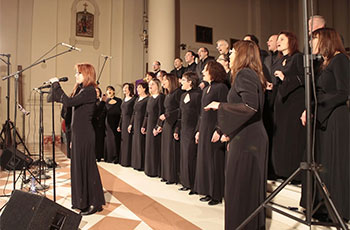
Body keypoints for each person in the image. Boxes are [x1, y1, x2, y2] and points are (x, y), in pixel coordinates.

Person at [205, 40, 268, 230]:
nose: (229, 55)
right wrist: (231, 133)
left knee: (240, 189)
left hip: (249, 139)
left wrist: (220, 105)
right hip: (247, 136)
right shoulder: (249, 74)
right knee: (242, 188)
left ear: (241, 55)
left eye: (232, 52)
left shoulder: (244, 74)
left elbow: (250, 106)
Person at [300, 27, 350, 222]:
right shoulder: (324, 62)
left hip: (336, 118)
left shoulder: (341, 60)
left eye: (315, 39)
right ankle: (321, 207)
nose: (311, 43)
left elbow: (342, 92)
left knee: (334, 165)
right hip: (324, 117)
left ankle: (337, 211)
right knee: (322, 163)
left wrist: (316, 109)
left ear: (327, 40)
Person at [49, 63, 105, 215]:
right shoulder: (82, 90)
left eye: (78, 73)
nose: (75, 76)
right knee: (78, 168)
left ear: (86, 74)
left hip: (86, 134)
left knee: (88, 168)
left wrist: (57, 85)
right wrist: (73, 137)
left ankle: (94, 202)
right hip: (79, 134)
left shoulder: (90, 91)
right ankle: (81, 200)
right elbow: (73, 113)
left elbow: (68, 102)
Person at [271, 31, 305, 181]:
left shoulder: (298, 57)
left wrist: (286, 78)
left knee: (292, 138)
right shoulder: (279, 60)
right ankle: (282, 171)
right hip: (281, 104)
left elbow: (304, 78)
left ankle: (294, 173)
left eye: (282, 39)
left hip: (294, 104)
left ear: (291, 41)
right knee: (281, 139)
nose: (278, 41)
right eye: (278, 39)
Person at [194, 60, 228, 206]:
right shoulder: (206, 89)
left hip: (214, 128)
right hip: (205, 128)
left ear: (213, 71)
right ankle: (208, 190)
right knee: (206, 161)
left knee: (215, 162)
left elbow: (224, 110)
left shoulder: (221, 87)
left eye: (205, 70)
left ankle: (216, 194)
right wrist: (199, 130)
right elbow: (202, 113)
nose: (202, 72)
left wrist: (219, 130)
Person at [174, 72, 201, 193]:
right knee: (184, 157)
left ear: (190, 82)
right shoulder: (182, 95)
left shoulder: (198, 95)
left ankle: (193, 185)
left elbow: (201, 115)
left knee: (191, 157)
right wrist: (177, 129)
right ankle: (185, 182)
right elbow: (180, 114)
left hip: (193, 129)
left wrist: (198, 130)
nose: (181, 82)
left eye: (184, 80)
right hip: (184, 129)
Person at [157, 73, 183, 184]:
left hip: (174, 123)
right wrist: (160, 124)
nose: (163, 83)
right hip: (167, 124)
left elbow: (180, 110)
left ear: (171, 81)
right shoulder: (168, 94)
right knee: (165, 150)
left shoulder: (178, 93)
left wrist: (168, 116)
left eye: (165, 80)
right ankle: (166, 174)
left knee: (171, 150)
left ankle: (172, 176)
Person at [143, 78, 165, 177]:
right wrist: (144, 126)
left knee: (155, 147)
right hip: (149, 125)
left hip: (156, 125)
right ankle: (149, 169)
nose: (150, 86)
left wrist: (158, 126)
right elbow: (147, 114)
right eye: (149, 84)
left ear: (157, 85)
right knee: (149, 147)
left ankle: (155, 170)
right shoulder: (150, 98)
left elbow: (161, 113)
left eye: (152, 84)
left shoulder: (160, 97)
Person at [129, 81, 149, 170]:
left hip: (142, 122)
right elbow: (134, 112)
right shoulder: (137, 99)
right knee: (135, 143)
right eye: (137, 87)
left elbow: (146, 114)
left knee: (141, 143)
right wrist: (130, 124)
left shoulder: (147, 99)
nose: (137, 89)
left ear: (144, 88)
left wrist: (144, 125)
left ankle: (141, 165)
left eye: (140, 87)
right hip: (136, 122)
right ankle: (135, 163)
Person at [118, 83, 136, 167]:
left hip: (129, 121)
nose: (124, 89)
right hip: (124, 121)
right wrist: (119, 124)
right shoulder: (124, 99)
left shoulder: (133, 99)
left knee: (129, 141)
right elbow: (122, 114)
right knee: (123, 141)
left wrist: (131, 123)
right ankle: (123, 160)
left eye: (126, 87)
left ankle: (128, 161)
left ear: (130, 89)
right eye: (123, 87)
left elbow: (133, 112)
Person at [104, 85, 122, 163]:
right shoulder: (106, 101)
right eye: (107, 90)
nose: (109, 91)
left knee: (115, 139)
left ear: (114, 91)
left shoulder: (119, 100)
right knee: (109, 139)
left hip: (116, 121)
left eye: (111, 89)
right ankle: (109, 157)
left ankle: (116, 157)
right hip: (108, 122)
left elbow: (120, 111)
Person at [92, 87, 106, 162]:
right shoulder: (92, 101)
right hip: (93, 123)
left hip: (101, 124)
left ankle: (99, 155)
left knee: (99, 140)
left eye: (98, 91)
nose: (97, 93)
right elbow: (95, 111)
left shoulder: (101, 101)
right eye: (95, 91)